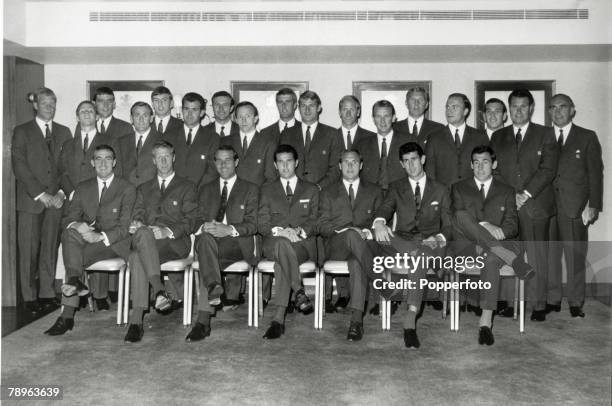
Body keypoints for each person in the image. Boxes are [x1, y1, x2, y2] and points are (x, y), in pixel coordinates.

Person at [44, 145, 136, 335]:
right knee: (69, 234)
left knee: (74, 258)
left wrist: (100, 236)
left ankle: (67, 315)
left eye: (108, 158)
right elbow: (68, 218)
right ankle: (76, 280)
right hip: (87, 238)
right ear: (92, 163)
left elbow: (125, 226)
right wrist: (77, 226)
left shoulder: (127, 188)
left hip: (114, 242)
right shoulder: (83, 187)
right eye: (98, 159)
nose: (103, 163)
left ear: (115, 162)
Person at [451, 145, 533, 345]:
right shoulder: (459, 188)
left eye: (485, 162)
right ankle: (512, 260)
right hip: (470, 245)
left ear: (494, 164)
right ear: (471, 165)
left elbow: (512, 226)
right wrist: (485, 224)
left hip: (502, 244)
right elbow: (460, 222)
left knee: (490, 257)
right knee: (460, 215)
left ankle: (485, 322)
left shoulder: (507, 190)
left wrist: (502, 231)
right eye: (476, 163)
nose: (480, 167)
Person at [372, 142, 452, 348]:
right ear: (401, 164)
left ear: (423, 159)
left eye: (414, 159)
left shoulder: (441, 190)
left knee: (420, 256)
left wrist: (439, 238)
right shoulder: (396, 187)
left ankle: (410, 320)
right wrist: (380, 221)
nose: (411, 165)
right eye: (406, 161)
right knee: (380, 233)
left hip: (429, 243)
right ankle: (426, 261)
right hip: (402, 242)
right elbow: (385, 207)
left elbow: (450, 226)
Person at [490, 89, 559, 321]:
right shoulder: (498, 137)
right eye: (514, 107)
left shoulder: (546, 134)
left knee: (537, 256)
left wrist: (525, 194)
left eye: (523, 106)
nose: (518, 111)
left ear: (531, 108)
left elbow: (548, 169)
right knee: (509, 254)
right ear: (509, 110)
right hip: (508, 207)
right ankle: (509, 303)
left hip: (535, 206)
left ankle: (538, 305)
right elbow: (494, 170)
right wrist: (511, 197)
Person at [124, 141, 199, 343]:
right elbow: (138, 214)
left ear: (173, 157)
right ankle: (157, 292)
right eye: (159, 157)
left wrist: (167, 231)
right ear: (154, 160)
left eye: (167, 156)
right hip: (147, 240)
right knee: (139, 246)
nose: (164, 161)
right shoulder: (143, 188)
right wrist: (137, 223)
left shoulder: (187, 186)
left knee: (137, 252)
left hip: (175, 243)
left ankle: (136, 320)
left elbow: (191, 221)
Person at [186, 145, 260, 341]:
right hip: (209, 243)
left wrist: (229, 229)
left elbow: (254, 224)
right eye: (219, 160)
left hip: (236, 244)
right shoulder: (206, 189)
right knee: (206, 244)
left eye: (228, 159)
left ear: (236, 162)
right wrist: (206, 227)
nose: (223, 164)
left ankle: (203, 320)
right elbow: (194, 220)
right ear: (214, 163)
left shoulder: (250, 189)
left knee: (206, 257)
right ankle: (213, 293)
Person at [12, 87, 72, 313]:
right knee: (28, 250)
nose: (50, 108)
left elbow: (68, 168)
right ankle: (29, 297)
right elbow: (20, 167)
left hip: (56, 201)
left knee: (50, 248)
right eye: (45, 103)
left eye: (53, 104)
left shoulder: (64, 132)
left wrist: (60, 194)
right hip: (31, 201)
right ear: (36, 105)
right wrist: (41, 194)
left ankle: (47, 292)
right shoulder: (22, 131)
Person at [547, 93, 603, 318]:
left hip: (576, 208)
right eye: (553, 107)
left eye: (563, 107)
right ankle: (552, 299)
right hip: (547, 208)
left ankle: (576, 301)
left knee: (575, 256)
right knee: (550, 255)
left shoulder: (587, 137)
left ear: (572, 110)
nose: (557, 111)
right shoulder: (543, 136)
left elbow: (596, 175)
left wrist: (594, 205)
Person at [318, 150, 384, 340]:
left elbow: (381, 224)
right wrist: (347, 232)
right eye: (345, 162)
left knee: (357, 263)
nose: (349, 166)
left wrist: (366, 233)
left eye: (354, 162)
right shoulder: (328, 192)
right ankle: (379, 278)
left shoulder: (375, 191)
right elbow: (322, 225)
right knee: (350, 234)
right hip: (337, 246)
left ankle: (356, 322)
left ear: (361, 165)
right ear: (339, 166)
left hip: (365, 246)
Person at [258, 144, 318, 339]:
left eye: (289, 161)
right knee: (282, 245)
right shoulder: (266, 189)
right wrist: (281, 232)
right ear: (275, 165)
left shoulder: (310, 189)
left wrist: (299, 231)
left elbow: (316, 220)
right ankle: (298, 290)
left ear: (297, 163)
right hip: (273, 242)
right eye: (281, 162)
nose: (285, 166)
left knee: (281, 264)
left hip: (301, 245)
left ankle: (278, 319)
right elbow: (262, 223)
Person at [280, 90, 341, 190]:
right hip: (293, 192)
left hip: (322, 193)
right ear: (299, 108)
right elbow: (282, 164)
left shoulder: (332, 134)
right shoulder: (287, 134)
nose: (307, 110)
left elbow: (335, 168)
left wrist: (318, 187)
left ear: (319, 108)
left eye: (311, 106)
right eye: (303, 106)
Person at [425, 93, 489, 188]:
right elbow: (430, 173)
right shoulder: (434, 138)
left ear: (465, 111)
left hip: (473, 195)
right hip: (444, 196)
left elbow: (487, 168)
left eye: (454, 107)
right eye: (447, 107)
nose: (449, 110)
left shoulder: (480, 136)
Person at [60, 101, 117, 202]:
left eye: (90, 111)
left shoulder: (110, 141)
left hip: (100, 201)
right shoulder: (67, 145)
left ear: (97, 117)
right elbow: (63, 173)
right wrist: (72, 194)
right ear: (77, 118)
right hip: (73, 202)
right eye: (83, 111)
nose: (86, 113)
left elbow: (116, 171)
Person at [354, 100, 410, 194]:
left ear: (393, 118)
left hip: (400, 196)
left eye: (386, 116)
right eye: (378, 116)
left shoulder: (408, 141)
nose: (382, 121)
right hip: (370, 198)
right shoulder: (362, 145)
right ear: (373, 119)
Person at [165, 92, 220, 187]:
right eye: (186, 109)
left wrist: (195, 189)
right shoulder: (169, 135)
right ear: (182, 110)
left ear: (202, 112)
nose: (189, 114)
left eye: (194, 109)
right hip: (173, 191)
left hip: (201, 192)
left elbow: (213, 169)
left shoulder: (212, 138)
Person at [220, 101, 278, 186]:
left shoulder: (268, 143)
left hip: (257, 195)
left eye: (248, 116)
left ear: (255, 118)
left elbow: (271, 177)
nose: (244, 120)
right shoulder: (225, 141)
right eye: (240, 117)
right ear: (235, 119)